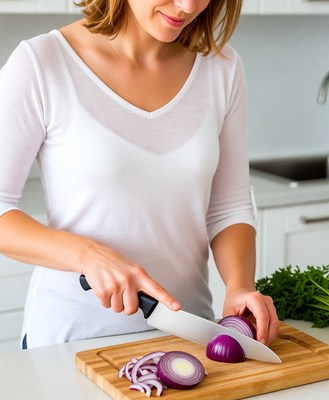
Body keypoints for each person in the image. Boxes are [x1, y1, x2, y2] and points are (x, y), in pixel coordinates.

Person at [0, 0, 279, 349]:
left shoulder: (221, 68)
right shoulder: (42, 63)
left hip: (187, 334)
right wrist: (85, 254)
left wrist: (239, 285)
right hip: (70, 343)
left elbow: (229, 208)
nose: (187, 6)